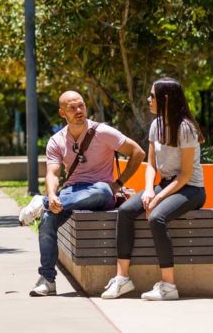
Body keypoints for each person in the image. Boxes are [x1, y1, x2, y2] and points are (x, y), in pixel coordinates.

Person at [18, 90, 145, 297]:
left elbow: (138, 152)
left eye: (81, 106)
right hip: (72, 192)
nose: (78, 111)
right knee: (48, 219)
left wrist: (118, 183)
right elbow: (52, 173)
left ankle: (41, 202)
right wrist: (51, 195)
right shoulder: (56, 141)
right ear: (62, 113)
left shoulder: (103, 132)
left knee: (103, 190)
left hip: (100, 192)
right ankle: (47, 279)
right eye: (72, 108)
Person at [100, 78, 207, 301]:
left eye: (152, 96)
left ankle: (169, 285)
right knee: (126, 211)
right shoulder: (156, 125)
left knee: (156, 217)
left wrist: (158, 198)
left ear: (165, 99)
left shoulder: (185, 128)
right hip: (166, 185)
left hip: (191, 189)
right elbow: (151, 165)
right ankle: (122, 278)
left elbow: (186, 175)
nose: (148, 100)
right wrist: (149, 190)